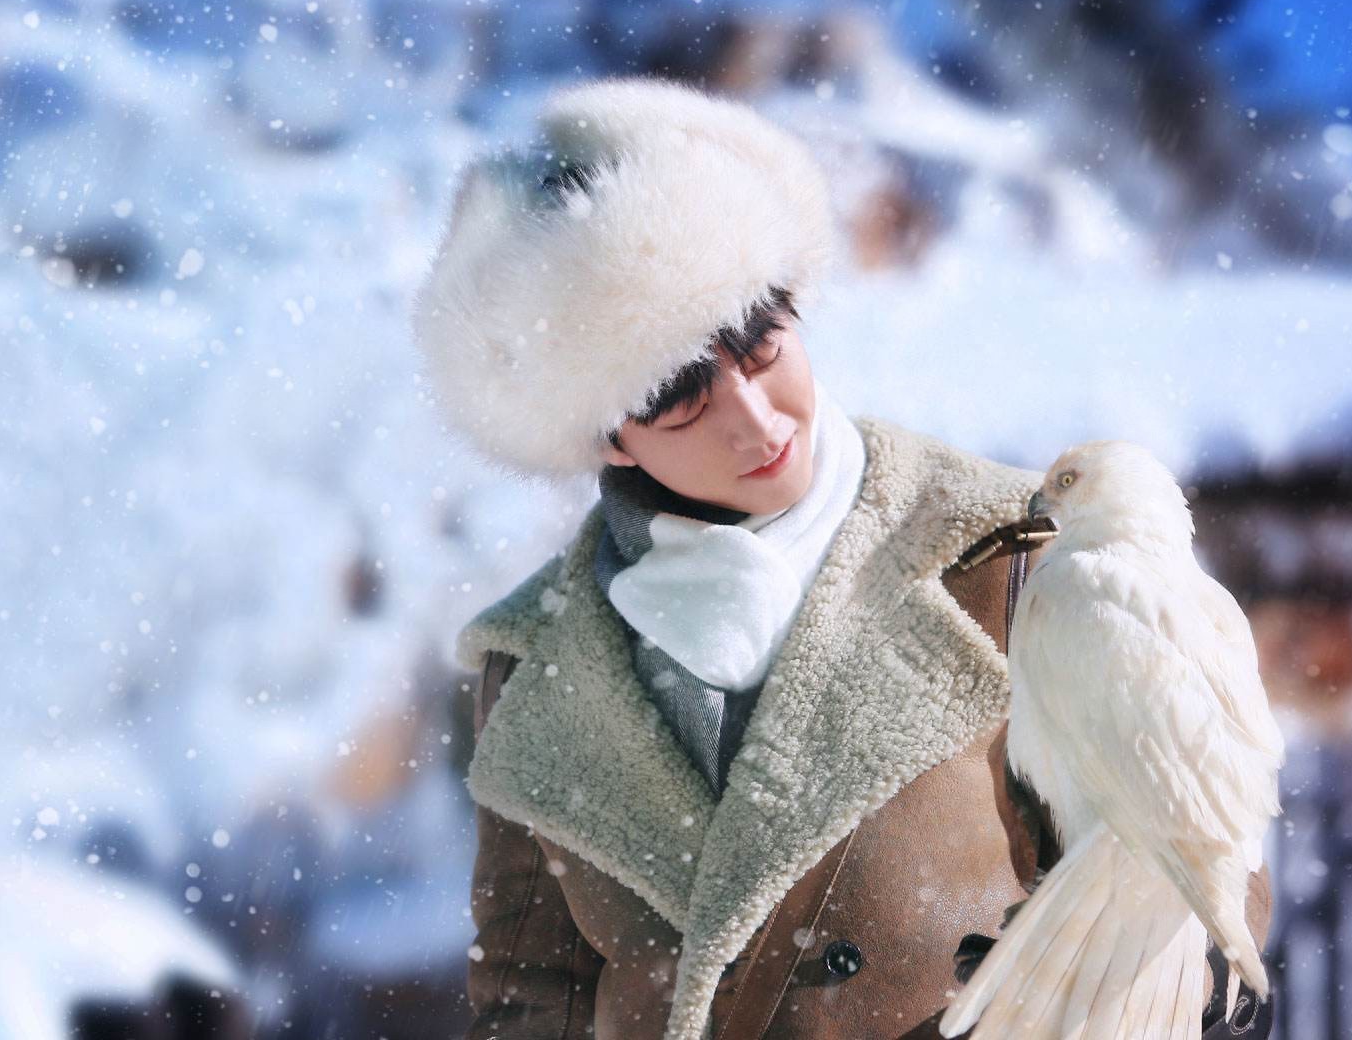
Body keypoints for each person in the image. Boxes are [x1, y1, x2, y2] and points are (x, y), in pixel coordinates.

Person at [409, 75, 1271, 1040]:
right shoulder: (537, 666)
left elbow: (1197, 864)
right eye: (679, 392)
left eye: (759, 340)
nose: (756, 418)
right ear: (609, 435)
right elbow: (532, 999)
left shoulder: (1021, 554)